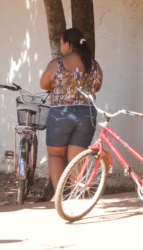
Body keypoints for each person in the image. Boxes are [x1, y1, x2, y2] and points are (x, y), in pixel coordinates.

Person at [40, 27, 103, 189]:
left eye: (61, 43)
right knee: (77, 158)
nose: (60, 47)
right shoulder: (93, 65)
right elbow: (97, 86)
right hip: (86, 113)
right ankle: (76, 194)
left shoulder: (57, 64)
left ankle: (59, 196)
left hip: (61, 113)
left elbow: (44, 84)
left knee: (56, 154)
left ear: (68, 45)